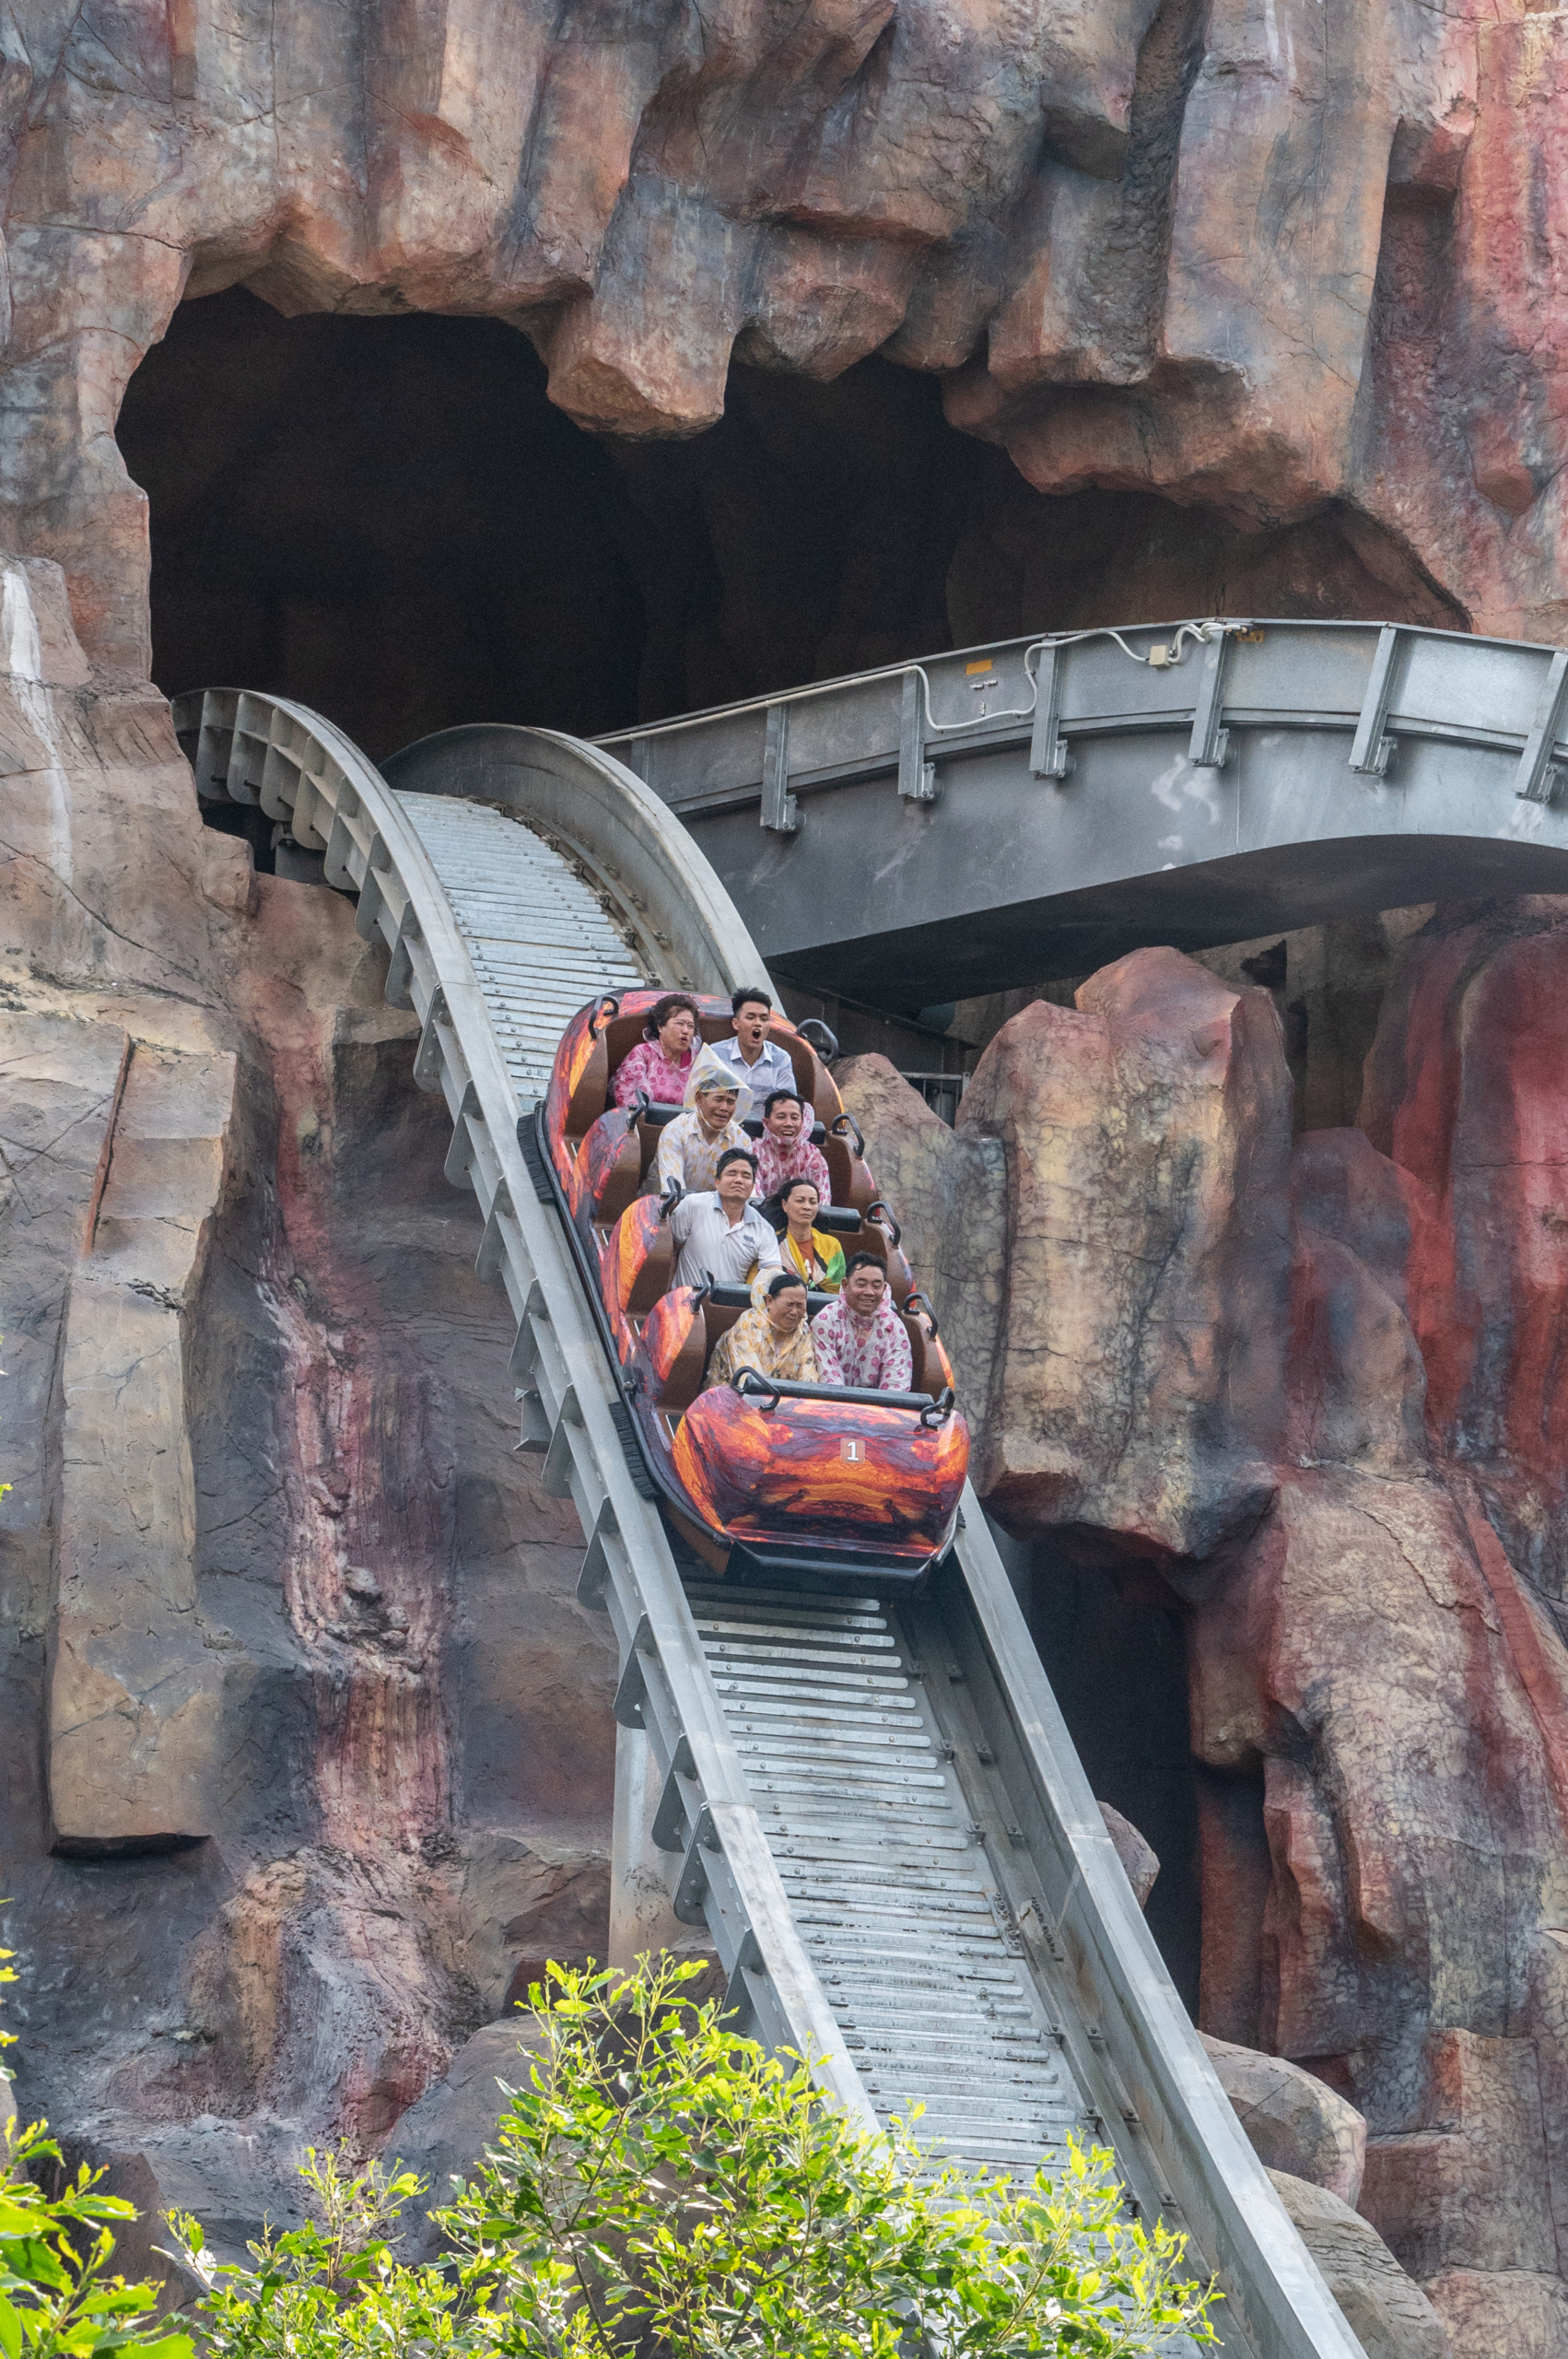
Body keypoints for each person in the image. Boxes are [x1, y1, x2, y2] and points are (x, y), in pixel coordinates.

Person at [668, 1147, 782, 1291]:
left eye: (746, 1176)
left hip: (728, 1307)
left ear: (752, 1186)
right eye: (732, 1173)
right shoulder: (693, 1205)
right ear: (717, 1181)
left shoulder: (764, 1229)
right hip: (683, 1303)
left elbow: (773, 1274)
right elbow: (671, 1252)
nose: (739, 1180)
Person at [811, 1251, 913, 1391]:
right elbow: (829, 1382)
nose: (869, 1292)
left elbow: (896, 1386)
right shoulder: (825, 1321)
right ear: (845, 1285)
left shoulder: (894, 1327)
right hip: (832, 1407)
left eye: (876, 1286)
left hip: (880, 1409)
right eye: (861, 1284)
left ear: (884, 1289)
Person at [655, 1047, 751, 1195]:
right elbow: (672, 1190)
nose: (725, 1108)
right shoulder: (675, 1130)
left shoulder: (741, 1139)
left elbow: (747, 1192)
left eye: (730, 1102)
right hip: (663, 1207)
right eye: (719, 1099)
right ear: (699, 1098)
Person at [704, 1271, 818, 1391]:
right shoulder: (748, 1324)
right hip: (731, 1398)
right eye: (789, 1304)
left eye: (799, 1305)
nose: (794, 1312)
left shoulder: (803, 1331)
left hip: (783, 1402)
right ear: (769, 1301)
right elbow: (748, 1381)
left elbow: (809, 1380)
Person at [710, 985, 798, 1102]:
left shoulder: (781, 1059)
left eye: (764, 1019)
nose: (758, 1023)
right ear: (736, 1024)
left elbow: (786, 1106)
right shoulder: (716, 1054)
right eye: (751, 1017)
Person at [613, 992, 700, 1108]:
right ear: (660, 1026)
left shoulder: (698, 1062)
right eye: (679, 1024)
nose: (685, 1031)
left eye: (690, 1026)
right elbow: (630, 1101)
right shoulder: (643, 1053)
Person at [766, 1176, 846, 1294]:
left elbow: (838, 1290)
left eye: (812, 1202)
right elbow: (762, 1284)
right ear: (785, 1205)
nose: (807, 1207)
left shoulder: (832, 1245)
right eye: (800, 1201)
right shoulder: (771, 1242)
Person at [753, 1088, 832, 1204]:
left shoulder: (812, 1155)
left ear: (803, 1122)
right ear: (766, 1122)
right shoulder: (754, 1150)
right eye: (781, 1117)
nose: (789, 1124)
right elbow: (753, 1198)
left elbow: (822, 1202)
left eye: (794, 1118)